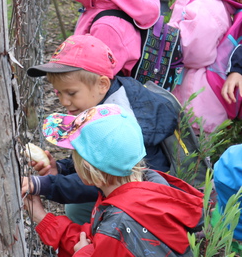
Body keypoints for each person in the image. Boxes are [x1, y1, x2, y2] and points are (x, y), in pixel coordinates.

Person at [23, 34, 179, 224]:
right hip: (124, 185)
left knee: (77, 208)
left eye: (71, 93)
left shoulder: (115, 123)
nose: (64, 102)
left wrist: (45, 185)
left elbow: (102, 178)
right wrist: (62, 169)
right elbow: (95, 155)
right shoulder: (103, 105)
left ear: (102, 84)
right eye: (59, 93)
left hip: (143, 204)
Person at [23, 104, 204, 256]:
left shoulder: (119, 223)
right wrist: (44, 219)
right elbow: (96, 239)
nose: (71, 162)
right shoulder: (148, 185)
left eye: (74, 156)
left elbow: (100, 244)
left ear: (88, 171)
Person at [155, 0, 242, 134]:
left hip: (199, 106)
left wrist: (162, 33)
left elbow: (196, 53)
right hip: (198, 100)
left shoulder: (203, 6)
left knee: (194, 161)